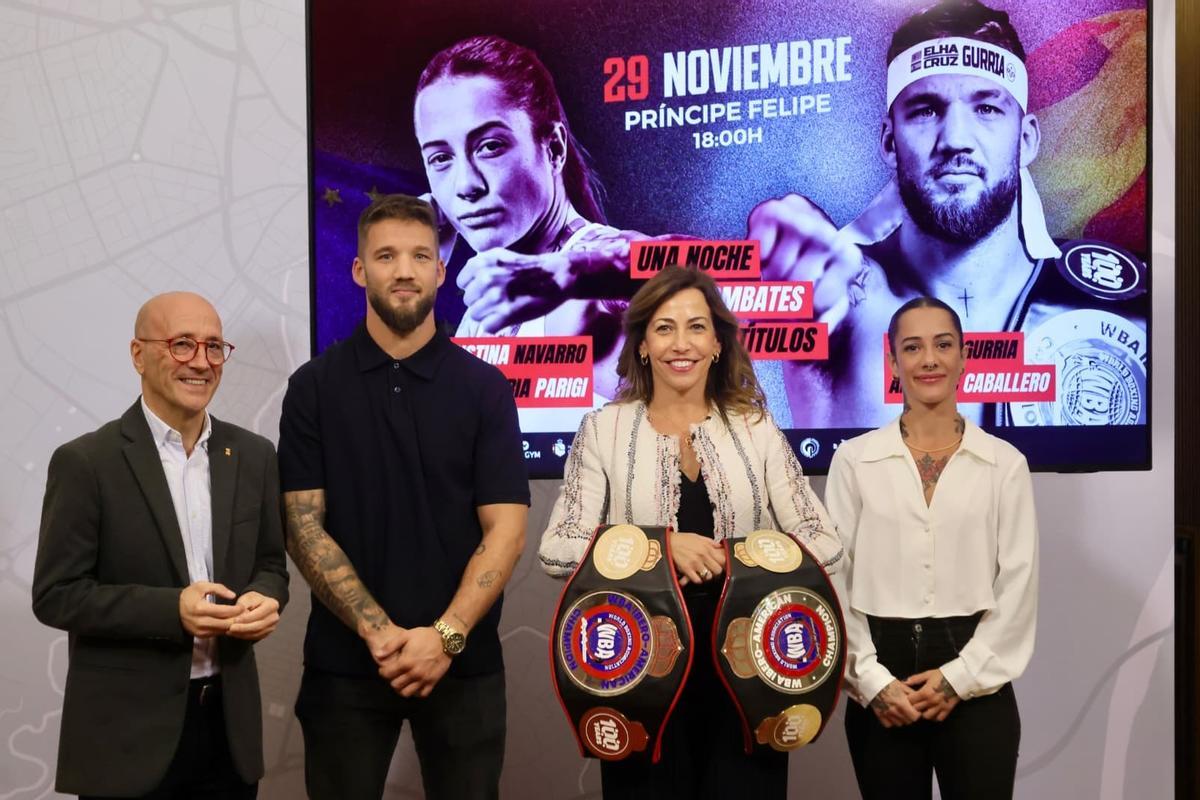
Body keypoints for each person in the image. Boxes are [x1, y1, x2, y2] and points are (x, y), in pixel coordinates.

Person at [748, 0, 1147, 429]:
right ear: (889, 142)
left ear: (1026, 140)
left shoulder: (1117, 307)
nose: (956, 139)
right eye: (926, 110)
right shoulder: (847, 305)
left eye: (987, 109)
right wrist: (787, 249)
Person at [538, 265, 842, 798]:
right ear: (642, 345)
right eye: (664, 328)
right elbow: (557, 551)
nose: (682, 343)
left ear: (719, 344)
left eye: (697, 327)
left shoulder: (757, 428)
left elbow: (825, 544)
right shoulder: (603, 429)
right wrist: (660, 550)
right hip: (637, 666)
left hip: (750, 664)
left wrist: (737, 558)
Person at [279, 193, 530, 800]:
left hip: (461, 661)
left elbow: (506, 529)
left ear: (441, 270)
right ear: (359, 270)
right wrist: (378, 634)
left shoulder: (485, 389)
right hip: (346, 666)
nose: (404, 271)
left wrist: (444, 637)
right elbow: (303, 526)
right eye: (386, 255)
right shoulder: (313, 388)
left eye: (420, 256)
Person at [32, 292, 289, 799]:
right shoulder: (86, 463)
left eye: (214, 347)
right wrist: (172, 610)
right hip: (126, 740)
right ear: (138, 355)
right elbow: (56, 595)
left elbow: (270, 565)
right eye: (182, 344)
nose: (202, 362)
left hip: (228, 735)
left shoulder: (255, 455)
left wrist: (266, 596)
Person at [825, 296, 1038, 799]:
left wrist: (959, 678)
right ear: (892, 360)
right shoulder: (853, 461)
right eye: (912, 347)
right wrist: (870, 680)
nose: (929, 360)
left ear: (964, 357)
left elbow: (1018, 584)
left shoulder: (1004, 463)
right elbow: (835, 579)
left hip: (976, 675)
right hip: (881, 674)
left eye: (943, 345)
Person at [414, 34, 669, 403]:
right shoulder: (483, 316)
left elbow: (716, 271)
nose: (465, 185)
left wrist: (571, 274)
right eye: (440, 158)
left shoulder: (595, 283)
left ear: (554, 148)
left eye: (490, 147)